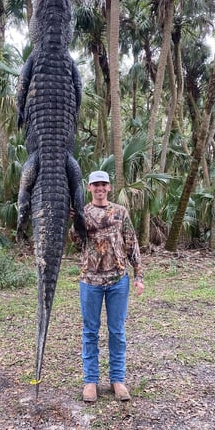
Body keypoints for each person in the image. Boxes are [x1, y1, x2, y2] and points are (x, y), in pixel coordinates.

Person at [69, 170, 144, 403]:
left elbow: (131, 242)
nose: (100, 188)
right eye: (95, 185)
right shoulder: (82, 212)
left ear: (109, 187)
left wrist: (138, 275)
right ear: (89, 188)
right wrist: (75, 222)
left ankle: (117, 380)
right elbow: (74, 241)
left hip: (118, 281)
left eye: (103, 184)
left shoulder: (120, 212)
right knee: (90, 332)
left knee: (117, 331)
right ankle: (91, 382)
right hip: (90, 281)